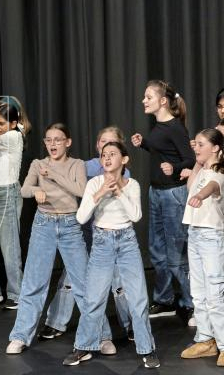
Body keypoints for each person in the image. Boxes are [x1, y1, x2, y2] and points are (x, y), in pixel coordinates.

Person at [6, 123, 112, 354]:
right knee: (34, 282)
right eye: (49, 140)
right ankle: (21, 336)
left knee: (84, 284)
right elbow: (24, 189)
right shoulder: (38, 164)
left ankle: (102, 336)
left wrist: (52, 175)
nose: (53, 144)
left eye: (58, 140)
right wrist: (36, 191)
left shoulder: (76, 165)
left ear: (68, 142)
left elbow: (81, 191)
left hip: (70, 225)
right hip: (44, 224)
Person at [62, 141, 159, 369]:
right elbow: (81, 217)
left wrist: (119, 192)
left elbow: (135, 216)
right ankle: (83, 346)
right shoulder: (95, 182)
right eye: (104, 154)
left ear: (124, 160)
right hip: (102, 243)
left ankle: (147, 348)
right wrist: (100, 193)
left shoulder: (132, 184)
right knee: (94, 299)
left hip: (126, 242)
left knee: (138, 299)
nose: (106, 158)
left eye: (112, 154)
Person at [41, 126, 133, 342]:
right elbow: (69, 172)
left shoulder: (123, 172)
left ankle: (131, 324)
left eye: (112, 144)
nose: (106, 148)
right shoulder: (87, 166)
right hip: (85, 236)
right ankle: (55, 322)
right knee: (70, 279)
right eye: (102, 143)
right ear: (97, 146)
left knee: (119, 283)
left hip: (112, 238)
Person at [131, 80, 195, 324]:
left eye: (148, 97)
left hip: (173, 194)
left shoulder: (176, 127)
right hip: (156, 192)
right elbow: (163, 152)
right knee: (157, 249)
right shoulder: (159, 126)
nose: (143, 101)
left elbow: (189, 159)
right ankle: (165, 299)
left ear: (163, 101)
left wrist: (175, 167)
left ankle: (191, 303)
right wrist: (145, 144)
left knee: (176, 252)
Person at [179, 128, 224, 367]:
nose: (195, 147)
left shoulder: (219, 173)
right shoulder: (202, 170)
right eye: (194, 144)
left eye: (201, 144)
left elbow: (212, 187)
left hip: (211, 236)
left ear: (216, 148)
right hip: (194, 233)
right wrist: (196, 164)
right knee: (198, 291)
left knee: (215, 292)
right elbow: (190, 190)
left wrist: (202, 195)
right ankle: (206, 339)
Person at [0, 97, 31, 310]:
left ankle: (17, 292)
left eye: (1, 123)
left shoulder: (13, 136)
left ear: (13, 124)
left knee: (9, 245)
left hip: (7, 193)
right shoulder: (11, 131)